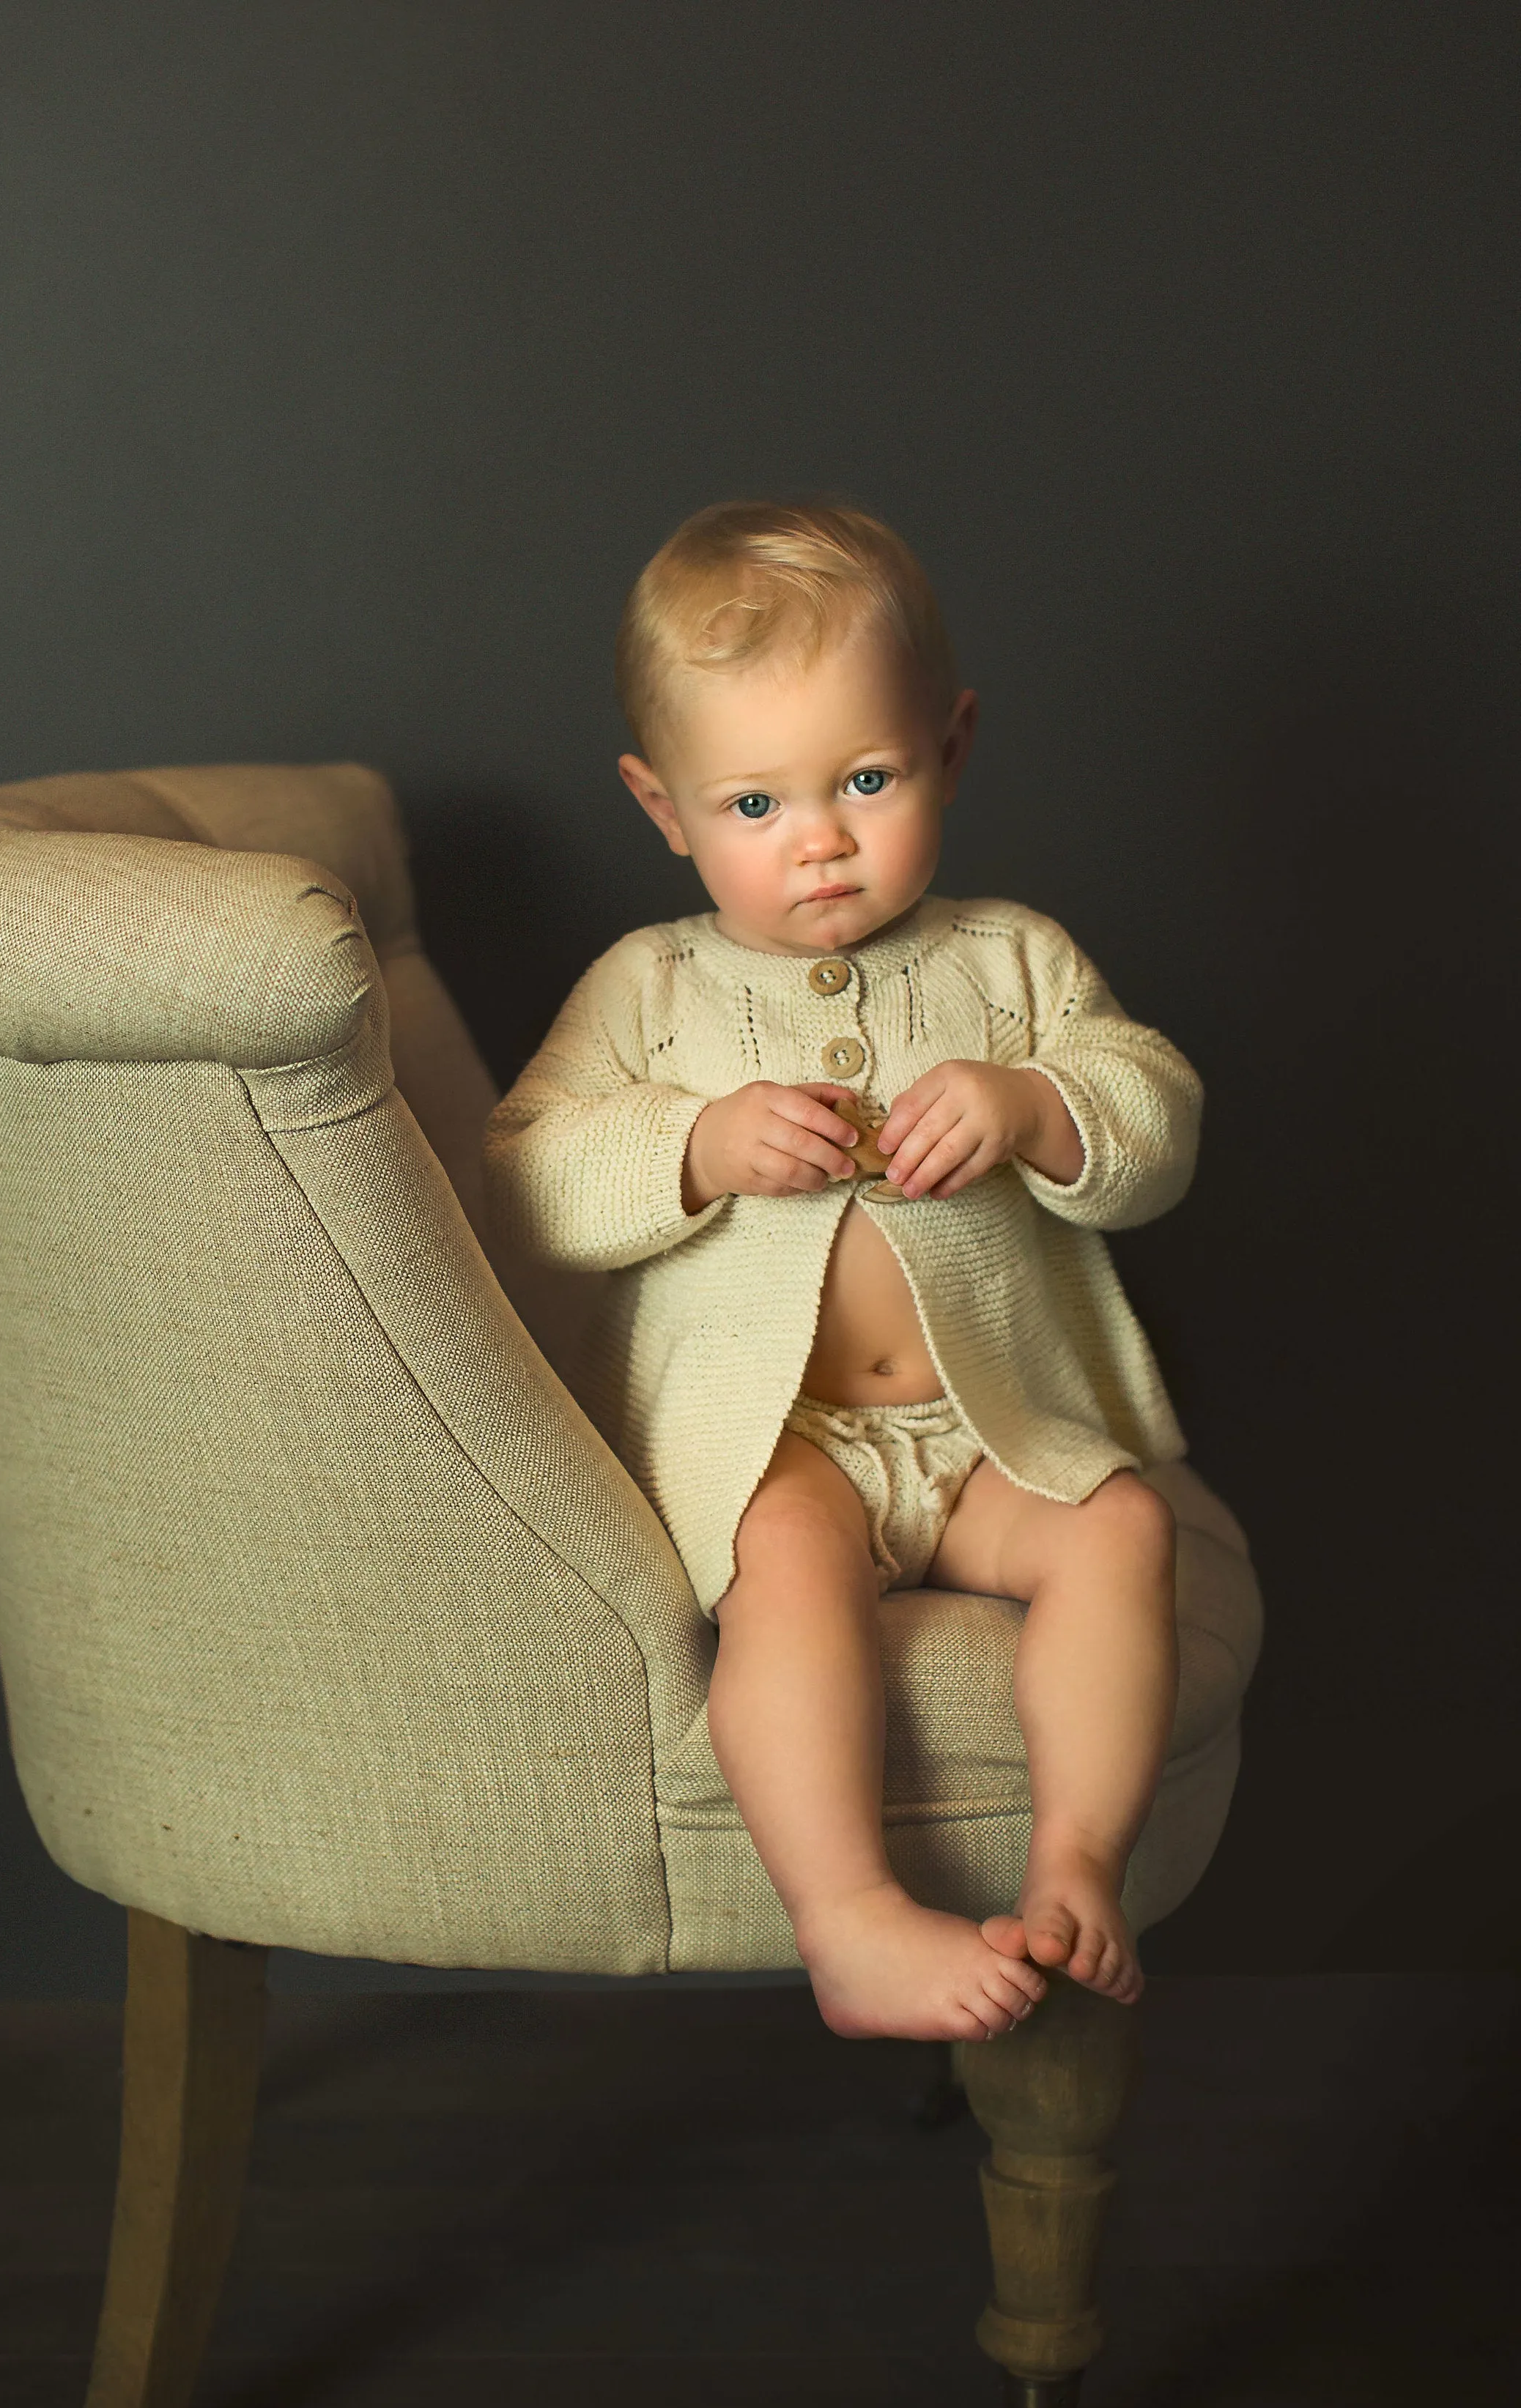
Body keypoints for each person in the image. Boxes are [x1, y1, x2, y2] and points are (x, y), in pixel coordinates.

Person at [484, 500, 1201, 2045]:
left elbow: (1159, 1125)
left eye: (865, 780)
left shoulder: (1013, 962)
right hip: (780, 1450)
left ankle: (1079, 1859)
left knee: (1122, 1532)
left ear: (951, 743)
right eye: (753, 803)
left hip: (989, 1428)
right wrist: (696, 1145)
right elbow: (525, 1175)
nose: (818, 839)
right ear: (662, 807)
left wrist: (1036, 1107)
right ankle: (851, 1917)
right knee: (787, 1587)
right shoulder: (652, 987)